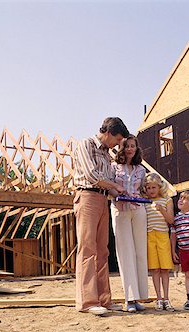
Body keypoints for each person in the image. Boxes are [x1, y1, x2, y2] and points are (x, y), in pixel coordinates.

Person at [72, 117, 130, 315]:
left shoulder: (107, 154)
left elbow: (110, 182)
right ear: (109, 133)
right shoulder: (86, 144)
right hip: (87, 196)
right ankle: (87, 302)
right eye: (117, 140)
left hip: (103, 199)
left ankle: (104, 300)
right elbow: (92, 175)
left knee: (102, 251)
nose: (118, 144)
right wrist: (114, 186)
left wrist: (123, 194)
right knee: (87, 249)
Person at [110, 134, 148, 313]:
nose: (130, 149)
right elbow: (109, 188)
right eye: (127, 146)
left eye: (133, 146)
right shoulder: (113, 167)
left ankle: (139, 297)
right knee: (125, 253)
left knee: (140, 251)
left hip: (139, 210)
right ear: (122, 148)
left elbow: (143, 190)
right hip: (121, 210)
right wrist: (117, 198)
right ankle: (129, 299)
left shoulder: (141, 169)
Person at [143, 173, 175, 311]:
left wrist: (161, 209)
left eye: (153, 187)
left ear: (159, 187)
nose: (151, 190)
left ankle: (166, 298)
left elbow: (171, 220)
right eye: (148, 187)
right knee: (155, 269)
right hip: (150, 236)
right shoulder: (144, 202)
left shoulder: (167, 200)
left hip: (162, 236)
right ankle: (158, 298)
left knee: (165, 269)